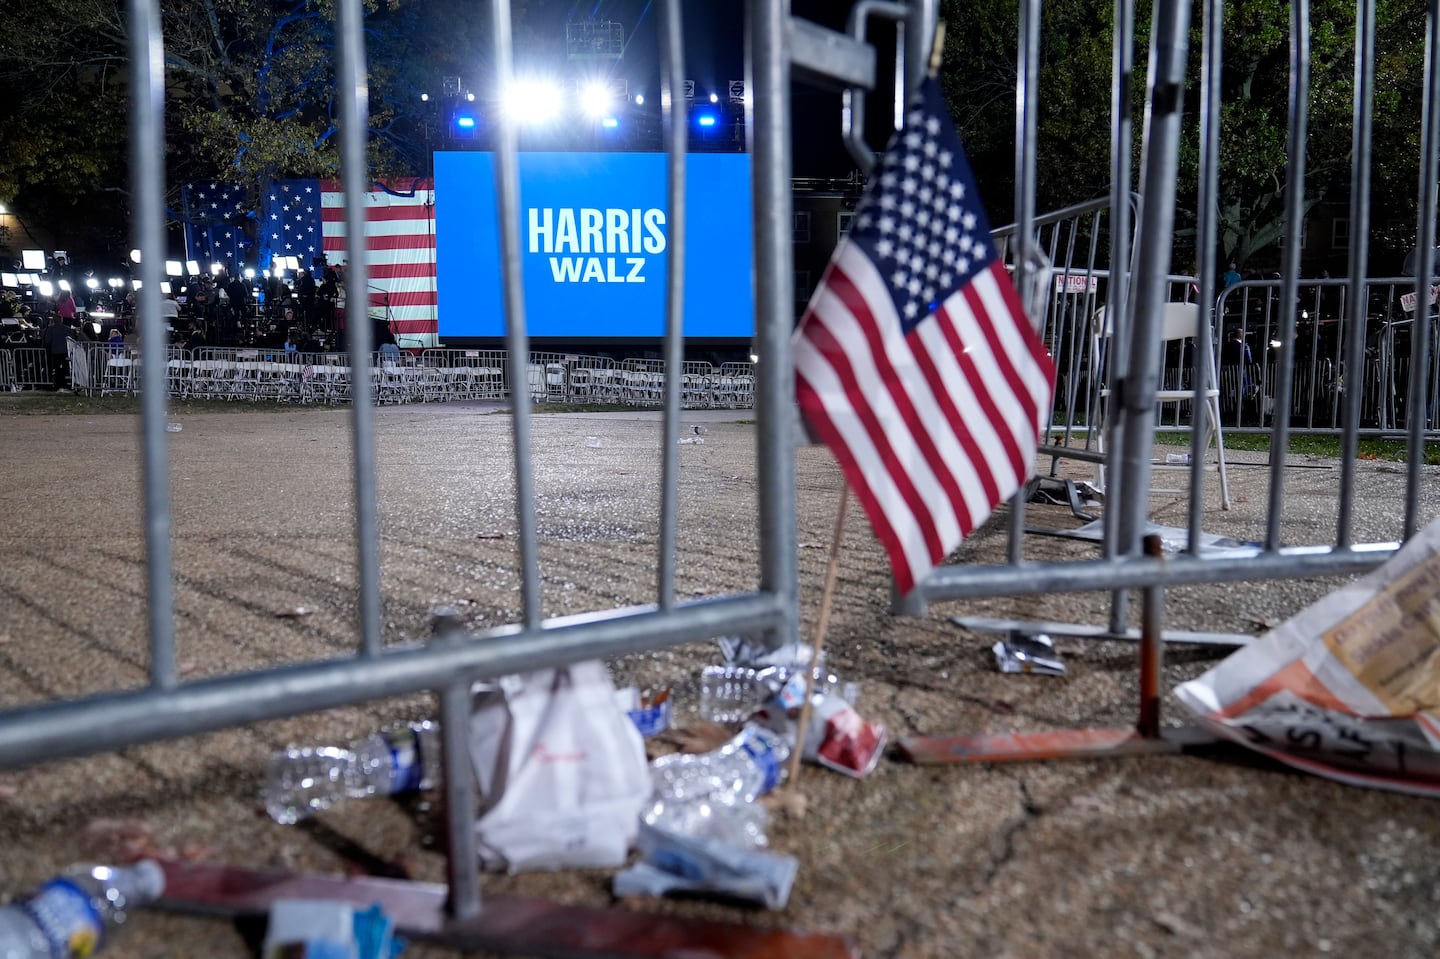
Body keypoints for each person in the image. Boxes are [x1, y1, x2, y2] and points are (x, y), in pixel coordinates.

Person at [40, 315, 76, 392]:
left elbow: (47, 341)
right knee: (66, 368)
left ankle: (57, 384)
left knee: (55, 368)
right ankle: (66, 383)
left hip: (55, 352)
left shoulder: (50, 329)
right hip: (66, 352)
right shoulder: (68, 329)